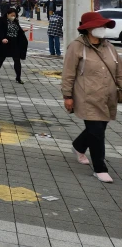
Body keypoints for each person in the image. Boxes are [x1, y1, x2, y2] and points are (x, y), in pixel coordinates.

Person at [62, 12, 121, 183]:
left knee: (99, 128)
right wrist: (67, 96)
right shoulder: (76, 46)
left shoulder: (109, 47)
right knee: (96, 133)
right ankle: (100, 168)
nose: (102, 29)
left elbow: (119, 71)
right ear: (88, 29)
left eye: (103, 26)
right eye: (99, 26)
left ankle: (78, 146)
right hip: (87, 96)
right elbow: (68, 73)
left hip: (108, 96)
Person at [0, 7, 28, 84]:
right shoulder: (1, 20)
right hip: (5, 42)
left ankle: (18, 78)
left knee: (17, 60)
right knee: (1, 58)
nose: (13, 17)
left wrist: (22, 31)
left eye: (14, 15)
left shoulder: (15, 21)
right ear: (7, 14)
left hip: (15, 42)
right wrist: (2, 39)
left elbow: (18, 30)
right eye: (12, 15)